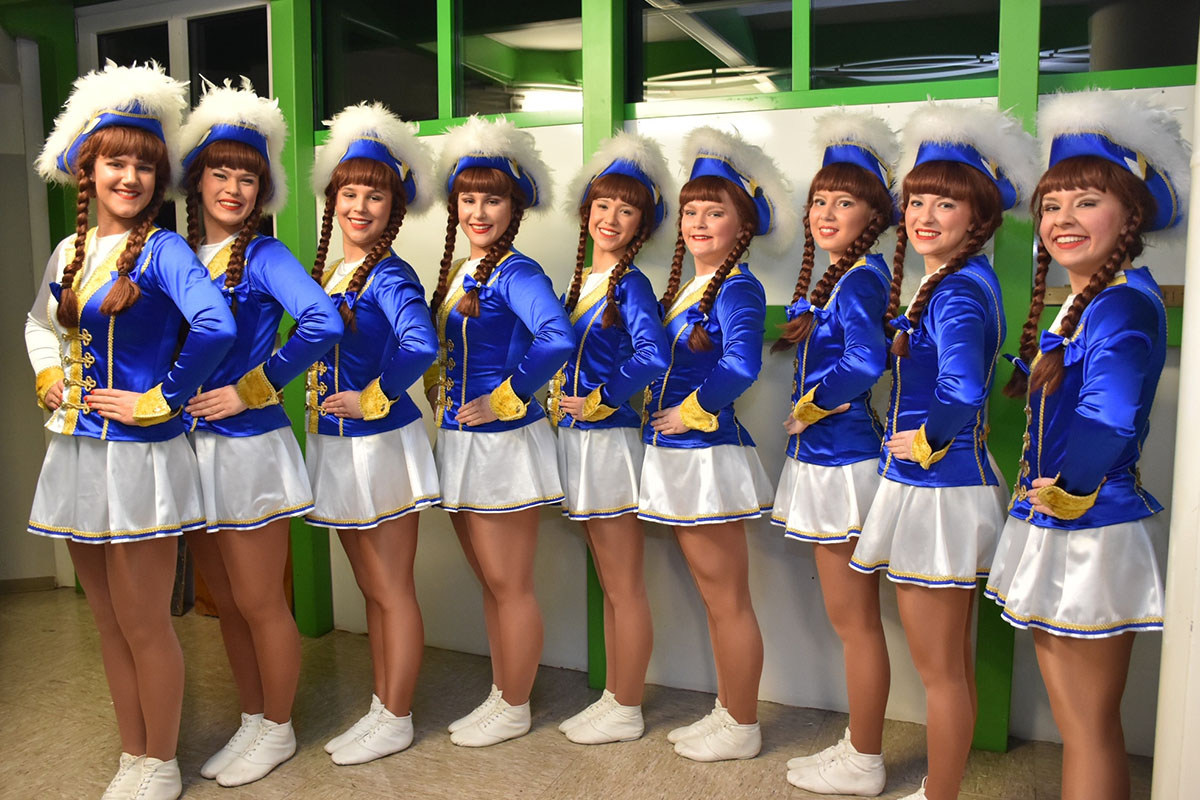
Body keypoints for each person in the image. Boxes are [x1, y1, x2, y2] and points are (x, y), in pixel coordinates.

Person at [26, 62, 236, 800]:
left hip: (141, 459)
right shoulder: (69, 252)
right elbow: (38, 324)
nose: (131, 178)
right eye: (116, 162)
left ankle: (162, 762)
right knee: (109, 624)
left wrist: (160, 400)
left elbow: (216, 325)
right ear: (89, 170)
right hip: (78, 453)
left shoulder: (165, 250)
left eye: (145, 166)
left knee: (145, 623)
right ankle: (133, 752)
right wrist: (48, 375)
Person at [987, 90, 1186, 800]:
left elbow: (1111, 418)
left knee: (1091, 724)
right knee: (1078, 722)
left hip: (1091, 527)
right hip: (1062, 519)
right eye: (1052, 205)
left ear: (1131, 216)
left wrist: (1069, 488)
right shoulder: (1088, 300)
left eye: (1087, 201)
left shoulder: (1123, 302)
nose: (1063, 219)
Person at [847, 103, 1038, 800]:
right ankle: (942, 788)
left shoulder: (956, 288)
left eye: (946, 203)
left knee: (940, 669)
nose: (925, 215)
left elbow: (962, 387)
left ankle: (940, 794)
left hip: (938, 492)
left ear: (978, 216)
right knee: (948, 661)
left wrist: (927, 438)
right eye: (918, 200)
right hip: (943, 486)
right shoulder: (953, 278)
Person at [177, 78, 343, 786]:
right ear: (197, 179)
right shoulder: (178, 253)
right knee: (224, 604)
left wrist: (256, 384)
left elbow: (323, 322)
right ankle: (252, 718)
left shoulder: (266, 257)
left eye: (248, 178)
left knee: (259, 599)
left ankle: (278, 726)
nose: (234, 189)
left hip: (249, 448)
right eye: (221, 173)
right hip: (187, 447)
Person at [639, 126, 796, 762]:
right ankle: (728, 710)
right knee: (714, 595)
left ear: (743, 225)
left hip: (706, 457)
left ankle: (742, 724)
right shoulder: (692, 286)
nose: (699, 223)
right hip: (680, 456)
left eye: (715, 212)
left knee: (727, 598)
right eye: (692, 212)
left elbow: (741, 365)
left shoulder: (738, 287)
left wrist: (692, 410)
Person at [424, 116, 574, 747]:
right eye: (468, 199)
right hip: (463, 444)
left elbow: (557, 338)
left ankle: (515, 705)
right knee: (490, 582)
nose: (478, 212)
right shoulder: (467, 268)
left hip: (503, 447)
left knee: (510, 584)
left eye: (492, 200)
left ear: (514, 208)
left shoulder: (517, 272)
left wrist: (506, 397)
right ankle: (502, 691)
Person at [305, 102, 440, 765]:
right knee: (371, 589)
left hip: (379, 444)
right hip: (336, 445)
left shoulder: (389, 272)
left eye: (375, 196)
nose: (360, 207)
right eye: (350, 193)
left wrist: (374, 396)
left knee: (391, 588)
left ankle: (397, 714)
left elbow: (422, 344)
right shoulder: (332, 269)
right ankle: (381, 706)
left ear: (394, 207)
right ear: (334, 199)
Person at [771, 110, 897, 796]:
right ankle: (859, 744)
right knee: (850, 621)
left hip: (843, 460)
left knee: (855, 623)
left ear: (873, 216)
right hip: (827, 459)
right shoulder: (845, 276)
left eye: (843, 203)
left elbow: (868, 359)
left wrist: (812, 404)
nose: (825, 213)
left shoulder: (862, 278)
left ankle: (865, 757)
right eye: (820, 200)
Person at [550, 132, 671, 744]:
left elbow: (654, 356)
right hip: (577, 442)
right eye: (603, 205)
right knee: (608, 579)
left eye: (627, 211)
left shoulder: (632, 286)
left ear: (641, 226)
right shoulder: (582, 284)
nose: (611, 219)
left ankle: (628, 706)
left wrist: (601, 399)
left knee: (624, 584)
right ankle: (614, 696)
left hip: (609, 444)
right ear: (586, 210)